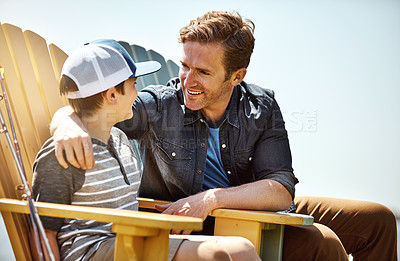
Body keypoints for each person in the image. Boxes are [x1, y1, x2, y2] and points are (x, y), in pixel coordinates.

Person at [50, 11, 398, 260]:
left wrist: (213, 198)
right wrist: (66, 119)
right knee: (321, 244)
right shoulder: (162, 104)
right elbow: (99, 110)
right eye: (185, 66)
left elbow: (280, 188)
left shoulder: (261, 106)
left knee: (378, 220)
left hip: (254, 209)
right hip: (203, 227)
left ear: (236, 75)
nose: (188, 80)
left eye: (203, 71)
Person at [32, 39, 260, 261]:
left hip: (130, 240)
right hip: (94, 250)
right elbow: (44, 232)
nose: (137, 92)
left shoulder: (119, 139)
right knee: (215, 256)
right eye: (133, 84)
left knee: (242, 249)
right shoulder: (64, 153)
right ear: (112, 95)